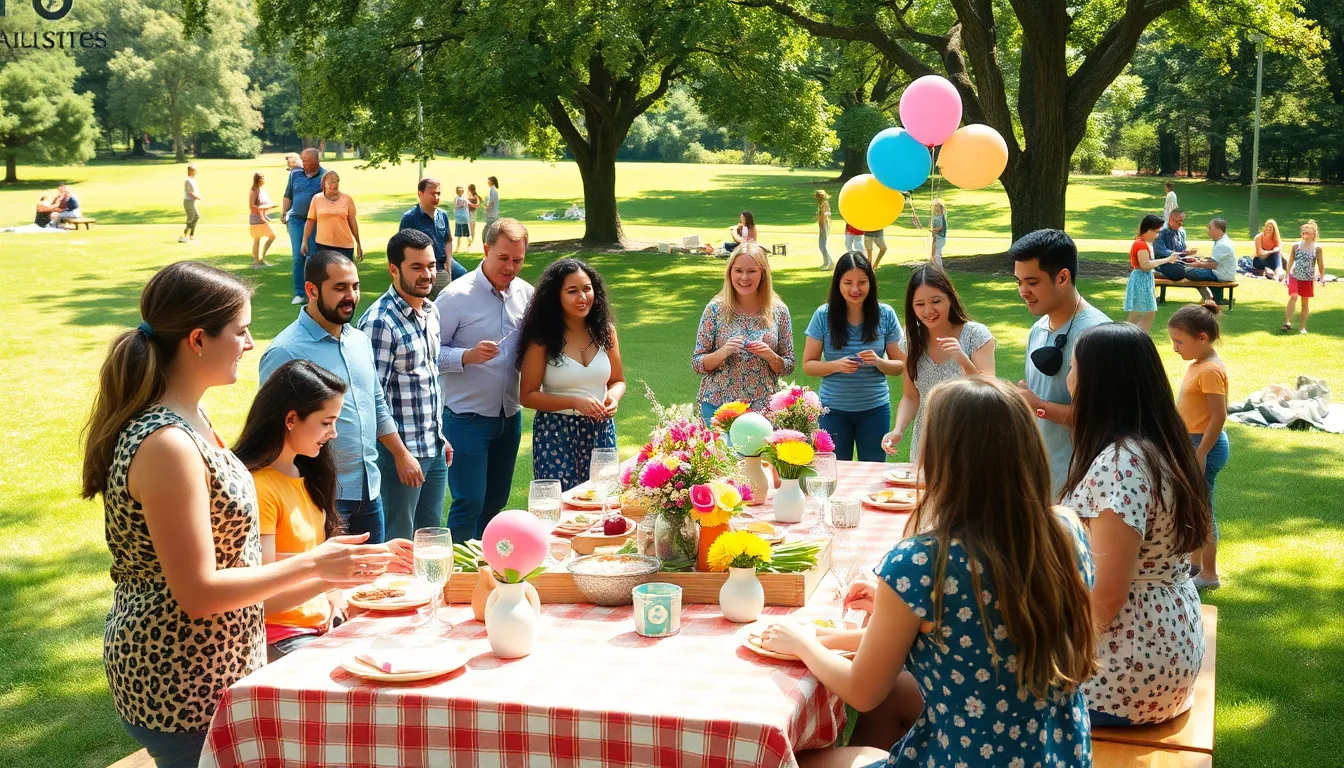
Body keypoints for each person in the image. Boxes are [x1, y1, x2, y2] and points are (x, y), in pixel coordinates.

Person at [81, 261, 393, 767]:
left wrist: (325, 573)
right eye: (241, 331)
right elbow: (199, 592)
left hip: (216, 668)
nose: (251, 344)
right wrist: (315, 565)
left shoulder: (192, 416)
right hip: (178, 681)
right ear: (198, 339)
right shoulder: (168, 444)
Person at [759, 376, 1096, 768]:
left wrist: (803, 645)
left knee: (787, 760)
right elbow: (979, 636)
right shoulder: (1066, 530)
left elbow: (861, 690)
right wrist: (852, 626)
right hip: (1056, 753)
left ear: (943, 459)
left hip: (967, 758)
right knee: (892, 698)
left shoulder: (924, 563)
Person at [1062, 322, 1212, 726]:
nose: (1068, 377)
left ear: (1099, 382)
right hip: (1166, 647)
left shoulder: (1120, 463)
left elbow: (1106, 597)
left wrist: (1049, 649)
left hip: (1127, 671)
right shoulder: (1162, 442)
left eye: (1074, 366)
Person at [233, 359, 416, 662]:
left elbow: (303, 558)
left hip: (322, 626)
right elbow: (264, 597)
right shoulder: (259, 487)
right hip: (283, 636)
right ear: (291, 419)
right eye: (327, 422)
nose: (333, 433)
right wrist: (335, 577)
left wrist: (372, 558)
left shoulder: (305, 474)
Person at [261, 249, 418, 544]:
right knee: (328, 586)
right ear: (311, 290)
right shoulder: (285, 351)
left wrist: (401, 453)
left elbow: (377, 404)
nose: (351, 296)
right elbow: (273, 428)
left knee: (372, 582)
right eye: (340, 287)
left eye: (355, 286)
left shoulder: (359, 340)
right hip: (320, 494)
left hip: (370, 491)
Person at [435, 218, 535, 545]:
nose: (510, 267)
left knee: (496, 501)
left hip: (510, 417)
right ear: (486, 249)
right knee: (469, 502)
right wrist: (466, 356)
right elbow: (429, 352)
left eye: (517, 260)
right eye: (503, 258)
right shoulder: (455, 296)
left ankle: (486, 564)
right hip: (466, 419)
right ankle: (458, 571)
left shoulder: (527, 295)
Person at [357, 230, 455, 541]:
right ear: (393, 269)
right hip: (398, 454)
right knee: (399, 541)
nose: (427, 275)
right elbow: (371, 399)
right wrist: (400, 454)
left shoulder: (431, 311)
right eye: (417, 267)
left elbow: (427, 379)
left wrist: (441, 437)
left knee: (431, 539)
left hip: (434, 447)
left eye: (431, 265)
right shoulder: (380, 323)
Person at [1010, 229, 1110, 496]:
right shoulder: (1038, 328)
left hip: (1083, 483)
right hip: (1039, 478)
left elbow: (1102, 418)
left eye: (1032, 282)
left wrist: (1038, 405)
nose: (1023, 291)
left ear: (1063, 277)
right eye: (1019, 281)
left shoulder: (1097, 334)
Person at [518, 258, 627, 490]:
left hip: (601, 430)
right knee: (563, 503)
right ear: (556, 296)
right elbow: (527, 395)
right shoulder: (542, 339)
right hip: (556, 433)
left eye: (587, 289)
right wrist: (575, 402)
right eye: (572, 291)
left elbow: (617, 381)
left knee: (602, 499)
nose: (583, 297)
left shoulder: (606, 332)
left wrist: (613, 398)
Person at [882, 264, 994, 465]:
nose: (928, 311)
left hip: (969, 435)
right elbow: (910, 396)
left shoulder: (976, 335)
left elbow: (989, 391)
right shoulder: (910, 341)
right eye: (919, 304)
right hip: (926, 440)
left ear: (950, 298)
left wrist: (962, 359)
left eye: (936, 301)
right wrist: (898, 430)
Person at [802, 252, 904, 462]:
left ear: (871, 282)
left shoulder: (885, 314)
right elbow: (808, 365)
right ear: (838, 283)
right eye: (848, 282)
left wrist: (878, 361)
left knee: (873, 470)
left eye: (862, 282)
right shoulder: (824, 315)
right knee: (835, 469)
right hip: (833, 410)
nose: (855, 289)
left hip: (875, 409)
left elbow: (900, 365)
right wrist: (836, 366)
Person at [692, 243, 795, 424]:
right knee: (721, 453)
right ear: (730, 272)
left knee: (757, 454)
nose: (744, 277)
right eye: (738, 270)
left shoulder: (778, 311)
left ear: (762, 273)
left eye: (751, 271)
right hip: (718, 406)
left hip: (763, 408)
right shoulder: (715, 309)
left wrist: (771, 356)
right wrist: (724, 351)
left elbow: (788, 365)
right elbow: (698, 363)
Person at [1168, 302, 1230, 590]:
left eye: (1179, 341)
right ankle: (1194, 566)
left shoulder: (1210, 371)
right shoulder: (1199, 364)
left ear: (1202, 338)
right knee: (1194, 506)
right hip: (1193, 443)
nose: (1175, 347)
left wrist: (1201, 452)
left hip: (1205, 445)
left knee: (1203, 509)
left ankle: (1209, 574)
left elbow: (1219, 416)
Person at [399, 178, 466, 299]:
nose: (436, 197)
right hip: (424, 267)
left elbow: (448, 241)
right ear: (420, 194)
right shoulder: (410, 218)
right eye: (432, 193)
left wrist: (448, 262)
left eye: (438, 193)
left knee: (463, 277)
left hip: (441, 265)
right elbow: (402, 248)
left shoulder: (442, 215)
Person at [282, 148, 328, 304]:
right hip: (296, 219)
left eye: (307, 160)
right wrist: (284, 212)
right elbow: (288, 195)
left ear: (316, 161)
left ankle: (314, 293)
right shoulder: (295, 174)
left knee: (313, 256)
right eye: (302, 159)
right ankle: (299, 292)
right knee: (297, 257)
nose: (303, 163)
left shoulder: (324, 176)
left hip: (315, 221)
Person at [1124, 214, 1178, 332]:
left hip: (1145, 279)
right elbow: (1145, 265)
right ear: (1148, 230)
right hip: (1140, 280)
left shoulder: (1146, 243)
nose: (1158, 235)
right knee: (1138, 314)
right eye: (1156, 232)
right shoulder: (1140, 244)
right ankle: (1125, 337)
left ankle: (1140, 339)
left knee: (1149, 313)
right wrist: (1167, 259)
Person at [303, 171, 363, 263]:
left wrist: (358, 243)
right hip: (323, 246)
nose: (334, 184)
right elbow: (310, 220)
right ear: (324, 183)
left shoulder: (347, 199)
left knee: (345, 276)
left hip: (345, 246)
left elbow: (352, 221)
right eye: (331, 181)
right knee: (325, 276)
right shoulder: (317, 199)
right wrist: (304, 241)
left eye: (337, 181)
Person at [1178, 218, 1236, 303]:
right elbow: (1215, 260)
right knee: (1192, 271)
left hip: (1221, 274)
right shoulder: (1222, 241)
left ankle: (1211, 298)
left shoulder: (1222, 244)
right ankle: (1216, 299)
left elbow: (1214, 264)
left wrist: (1198, 264)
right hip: (1221, 271)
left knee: (1190, 273)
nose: (1208, 230)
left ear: (1219, 230)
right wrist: (1200, 260)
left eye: (1210, 228)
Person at [1283, 220, 1325, 334]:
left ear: (1314, 235)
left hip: (1307, 278)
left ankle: (1302, 327)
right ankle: (1287, 322)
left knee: (1305, 303)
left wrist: (1322, 277)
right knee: (1294, 296)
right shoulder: (1296, 246)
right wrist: (1286, 275)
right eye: (1304, 232)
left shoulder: (1317, 248)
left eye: (1308, 232)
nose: (1305, 234)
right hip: (1294, 276)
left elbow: (1320, 263)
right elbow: (1290, 261)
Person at [1153, 208, 1198, 282]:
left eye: (1182, 221)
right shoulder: (1161, 232)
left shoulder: (1182, 232)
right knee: (1179, 272)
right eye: (1178, 221)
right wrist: (1183, 254)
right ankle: (1190, 271)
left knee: (1199, 265)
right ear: (1170, 220)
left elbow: (1182, 252)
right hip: (1164, 263)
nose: (1181, 224)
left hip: (1179, 262)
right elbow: (1160, 251)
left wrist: (1187, 257)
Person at [248, 173, 277, 269]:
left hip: (262, 218)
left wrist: (267, 216)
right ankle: (257, 262)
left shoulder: (261, 190)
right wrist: (269, 206)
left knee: (268, 237)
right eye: (262, 177)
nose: (264, 179)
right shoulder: (254, 191)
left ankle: (260, 259)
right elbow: (252, 207)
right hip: (256, 218)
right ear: (258, 179)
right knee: (258, 238)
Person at [180, 164, 203, 244]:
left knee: (196, 216)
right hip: (188, 202)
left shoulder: (193, 179)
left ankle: (191, 235)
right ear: (190, 171)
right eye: (195, 170)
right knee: (190, 219)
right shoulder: (188, 181)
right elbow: (191, 193)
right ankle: (184, 236)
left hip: (192, 202)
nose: (196, 171)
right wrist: (200, 198)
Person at [815, 190, 833, 270]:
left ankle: (827, 263)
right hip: (822, 226)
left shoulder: (824, 203)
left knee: (822, 245)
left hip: (824, 226)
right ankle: (830, 262)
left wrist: (824, 217)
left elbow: (826, 214)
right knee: (822, 245)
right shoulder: (822, 204)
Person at [928, 198, 947, 267]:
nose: (935, 207)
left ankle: (938, 267)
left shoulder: (940, 216)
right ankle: (932, 264)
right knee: (933, 252)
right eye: (934, 206)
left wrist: (933, 230)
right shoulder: (936, 216)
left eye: (937, 206)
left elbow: (940, 227)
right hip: (937, 237)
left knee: (937, 253)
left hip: (940, 238)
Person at [453, 185, 471, 254]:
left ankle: (469, 246)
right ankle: (457, 248)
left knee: (466, 234)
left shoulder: (464, 198)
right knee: (458, 234)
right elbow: (456, 206)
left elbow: (464, 205)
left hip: (464, 218)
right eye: (459, 190)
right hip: (458, 218)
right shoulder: (456, 198)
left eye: (461, 190)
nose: (460, 192)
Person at [467, 183, 482, 248]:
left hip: (472, 214)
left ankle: (471, 241)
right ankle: (470, 241)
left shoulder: (475, 197)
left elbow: (477, 205)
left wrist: (470, 204)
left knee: (472, 228)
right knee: (469, 228)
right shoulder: (468, 197)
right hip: (468, 214)